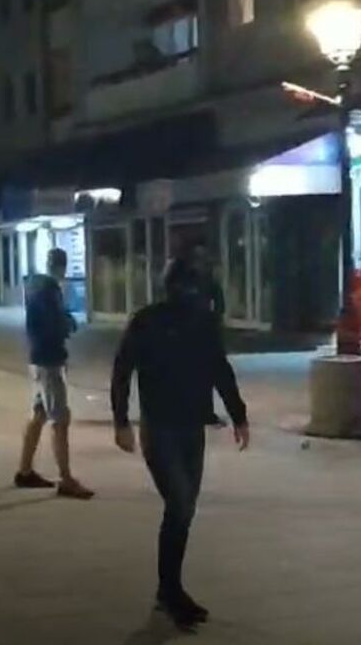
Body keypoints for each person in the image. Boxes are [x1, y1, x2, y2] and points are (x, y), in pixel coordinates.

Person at [111, 257, 249, 630]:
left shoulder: (202, 323)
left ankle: (169, 589)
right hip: (159, 427)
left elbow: (220, 369)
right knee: (180, 503)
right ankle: (170, 592)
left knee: (184, 509)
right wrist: (121, 421)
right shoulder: (147, 321)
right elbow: (122, 370)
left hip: (191, 426)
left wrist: (238, 415)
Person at [15, 247, 93, 500]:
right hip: (50, 359)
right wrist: (69, 324)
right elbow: (57, 323)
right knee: (60, 418)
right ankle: (66, 479)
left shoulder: (34, 286)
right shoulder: (50, 290)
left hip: (37, 357)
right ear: (62, 267)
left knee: (39, 414)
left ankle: (25, 470)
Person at [190, 244, 228, 427]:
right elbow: (219, 304)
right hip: (198, 330)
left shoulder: (200, 280)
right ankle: (202, 411)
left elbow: (219, 303)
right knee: (203, 375)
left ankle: (202, 411)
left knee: (203, 375)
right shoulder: (202, 279)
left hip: (199, 329)